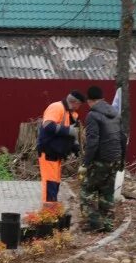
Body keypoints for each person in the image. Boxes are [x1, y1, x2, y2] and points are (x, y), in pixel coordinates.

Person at [80, 85, 126, 232]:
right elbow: (122, 138)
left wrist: (85, 163)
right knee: (107, 192)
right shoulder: (116, 114)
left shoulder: (92, 115)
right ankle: (108, 225)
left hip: (101, 160)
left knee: (87, 191)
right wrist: (122, 161)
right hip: (115, 159)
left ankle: (94, 223)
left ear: (89, 100)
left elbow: (92, 142)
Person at [37, 90, 84, 203]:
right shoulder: (57, 107)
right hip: (48, 151)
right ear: (74, 102)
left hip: (57, 152)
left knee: (55, 182)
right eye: (79, 105)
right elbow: (47, 125)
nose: (79, 107)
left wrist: (75, 147)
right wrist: (68, 130)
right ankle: (48, 211)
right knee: (50, 182)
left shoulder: (72, 114)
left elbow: (72, 134)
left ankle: (52, 209)